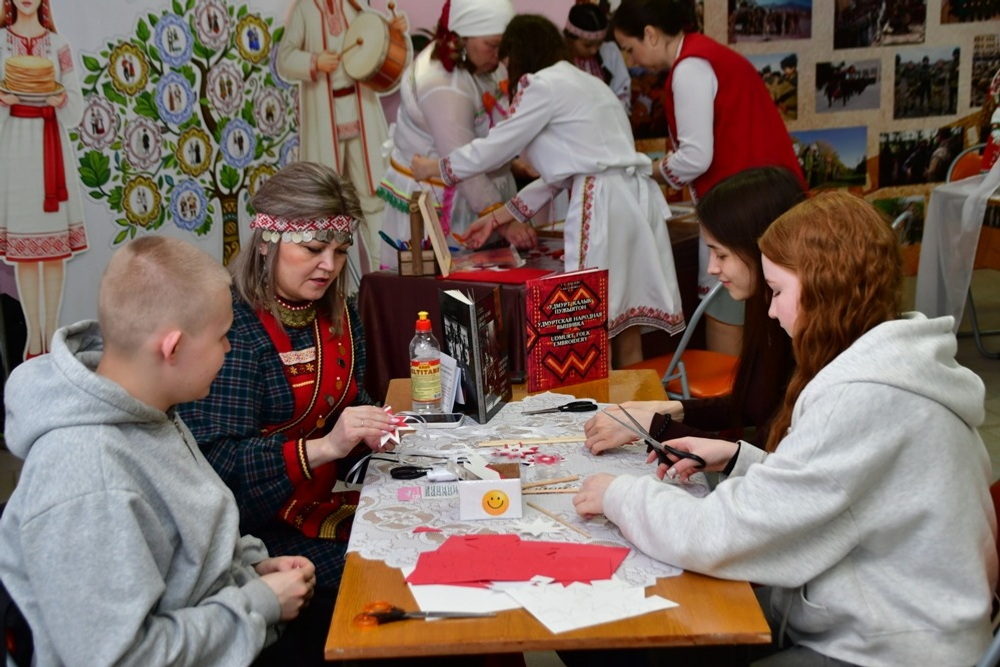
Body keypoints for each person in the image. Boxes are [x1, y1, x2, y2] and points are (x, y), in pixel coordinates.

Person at [574, 191, 997, 666]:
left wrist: (620, 495)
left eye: (777, 292)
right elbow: (841, 490)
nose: (772, 312)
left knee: (623, 641)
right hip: (876, 613)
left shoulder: (862, 397)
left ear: (823, 289)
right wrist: (740, 457)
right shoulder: (893, 366)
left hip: (894, 647)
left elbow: (722, 534)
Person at [0, 236, 317, 665]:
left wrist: (249, 571)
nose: (229, 349)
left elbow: (188, 541)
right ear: (173, 348)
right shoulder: (88, 478)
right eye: (223, 337)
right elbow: (121, 658)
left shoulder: (148, 407)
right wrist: (257, 603)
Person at [178, 162, 401, 603]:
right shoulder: (233, 327)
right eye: (314, 248)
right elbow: (217, 468)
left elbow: (347, 405)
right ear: (267, 241)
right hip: (254, 535)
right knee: (388, 578)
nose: (329, 266)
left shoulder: (339, 313)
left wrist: (382, 433)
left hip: (317, 506)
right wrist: (326, 447)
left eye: (340, 251)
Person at [412, 15, 684, 368]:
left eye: (506, 60)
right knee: (624, 320)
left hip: (603, 201)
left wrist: (437, 168)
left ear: (518, 53)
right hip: (634, 200)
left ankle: (599, 400)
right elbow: (563, 175)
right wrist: (498, 217)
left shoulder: (541, 85)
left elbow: (496, 147)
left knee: (590, 322)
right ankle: (634, 398)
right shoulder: (589, 83)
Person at [612, 0, 805, 357]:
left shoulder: (690, 67)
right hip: (762, 198)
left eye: (629, 48)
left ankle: (729, 388)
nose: (631, 59)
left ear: (650, 34)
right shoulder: (708, 55)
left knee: (724, 304)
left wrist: (648, 170)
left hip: (741, 209)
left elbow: (696, 156)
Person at [584, 166, 804, 455]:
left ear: (762, 248)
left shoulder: (799, 331)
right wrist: (669, 410)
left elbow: (762, 455)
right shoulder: (766, 309)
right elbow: (750, 406)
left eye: (721, 254)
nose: (712, 268)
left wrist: (655, 425)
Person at [377, 0, 520, 270]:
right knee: (453, 289)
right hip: (449, 200)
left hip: (481, 191)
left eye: (505, 46)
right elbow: (462, 163)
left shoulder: (481, 60)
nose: (501, 56)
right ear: (461, 38)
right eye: (492, 45)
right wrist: (501, 220)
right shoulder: (442, 84)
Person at [277, 0, 408, 278]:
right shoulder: (305, 10)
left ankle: (384, 278)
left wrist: (393, 33)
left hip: (363, 118)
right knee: (327, 208)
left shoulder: (355, 6)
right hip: (324, 121)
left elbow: (379, 47)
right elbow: (284, 59)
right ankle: (332, 291)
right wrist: (314, 61)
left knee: (374, 200)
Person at [0, 0, 88, 360]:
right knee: (25, 254)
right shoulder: (1, 43)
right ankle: (33, 341)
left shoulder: (58, 44)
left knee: (53, 255)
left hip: (51, 146)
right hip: (16, 149)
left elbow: (76, 105)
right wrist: (5, 100)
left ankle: (51, 338)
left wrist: (60, 98)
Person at [564, 2, 631, 112]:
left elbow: (622, 90)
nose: (594, 50)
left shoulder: (610, 52)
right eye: (588, 45)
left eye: (599, 44)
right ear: (569, 39)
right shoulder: (558, 60)